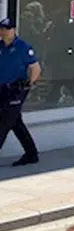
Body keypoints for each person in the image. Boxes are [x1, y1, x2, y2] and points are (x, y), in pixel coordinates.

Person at [0, 18, 41, 167]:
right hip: (2, 89)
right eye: (2, 28)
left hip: (16, 89)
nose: (4, 31)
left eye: (7, 29)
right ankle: (31, 154)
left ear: (14, 30)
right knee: (15, 122)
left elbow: (35, 68)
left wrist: (29, 84)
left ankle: (31, 154)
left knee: (4, 121)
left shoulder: (23, 47)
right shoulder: (1, 46)